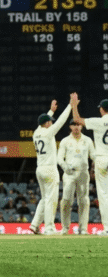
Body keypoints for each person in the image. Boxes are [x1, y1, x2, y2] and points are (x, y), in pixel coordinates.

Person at [29, 98, 72, 235]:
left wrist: (51, 111)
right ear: (46, 123)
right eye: (49, 121)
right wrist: (70, 106)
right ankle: (49, 227)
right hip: (49, 169)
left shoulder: (36, 133)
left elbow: (44, 122)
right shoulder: (48, 133)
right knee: (51, 199)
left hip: (39, 169)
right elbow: (61, 121)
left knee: (44, 198)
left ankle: (35, 225)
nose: (51, 123)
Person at [71, 94, 108, 235]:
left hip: (102, 158)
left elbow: (77, 119)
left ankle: (107, 228)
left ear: (102, 110)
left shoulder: (98, 121)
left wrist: (74, 104)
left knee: (104, 194)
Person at [57, 118, 95, 235]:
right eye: (74, 125)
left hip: (83, 172)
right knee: (66, 200)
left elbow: (93, 155)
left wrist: (98, 163)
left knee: (84, 201)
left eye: (78, 124)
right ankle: (65, 228)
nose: (76, 127)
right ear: (70, 127)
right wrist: (64, 166)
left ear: (82, 126)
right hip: (69, 173)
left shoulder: (88, 140)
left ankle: (83, 229)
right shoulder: (65, 141)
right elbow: (59, 158)